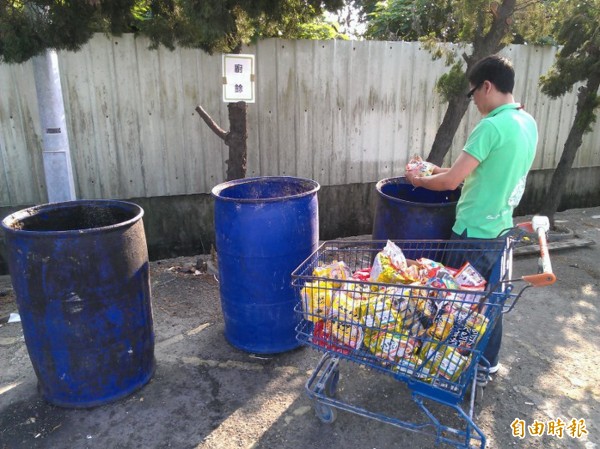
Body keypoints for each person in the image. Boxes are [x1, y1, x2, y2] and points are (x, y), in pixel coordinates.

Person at [405, 54, 538, 381]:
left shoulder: (490, 126)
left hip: (474, 231)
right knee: (488, 300)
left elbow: (452, 183)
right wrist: (434, 168)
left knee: (460, 304)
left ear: (487, 86)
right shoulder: (526, 123)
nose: (474, 100)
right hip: (500, 228)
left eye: (473, 93)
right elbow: (478, 172)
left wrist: (419, 180)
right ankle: (486, 362)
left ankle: (458, 365)